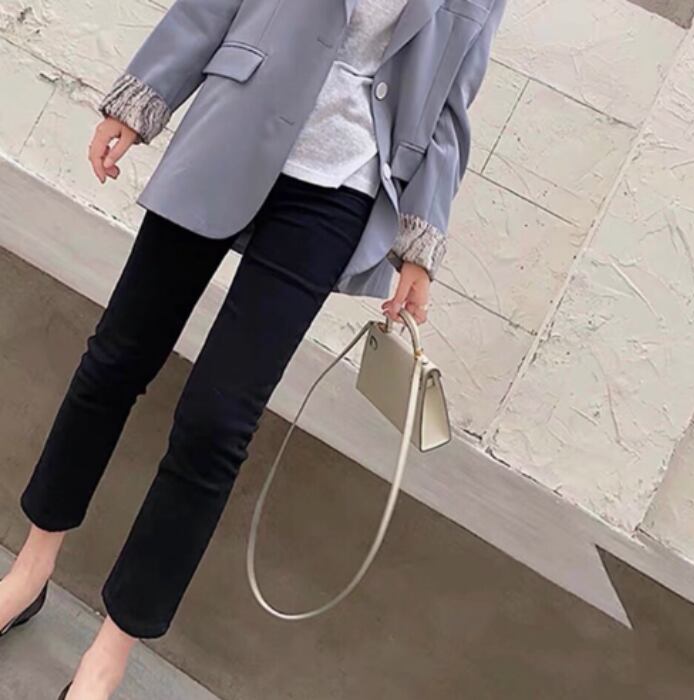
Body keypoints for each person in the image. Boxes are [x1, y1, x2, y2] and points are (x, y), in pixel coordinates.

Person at [0, 0, 506, 697]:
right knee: (118, 356)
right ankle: (29, 572)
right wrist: (145, 98)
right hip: (236, 123)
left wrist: (421, 239)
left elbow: (450, 103)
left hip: (342, 188)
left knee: (217, 424)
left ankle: (110, 651)